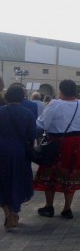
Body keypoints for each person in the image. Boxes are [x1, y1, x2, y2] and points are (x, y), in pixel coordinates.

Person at [34, 79, 80, 220]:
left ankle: (49, 206)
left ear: (61, 90)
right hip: (77, 143)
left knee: (50, 172)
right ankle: (67, 209)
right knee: (71, 173)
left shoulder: (55, 104)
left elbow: (42, 123)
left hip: (58, 142)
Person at [0, 85, 36, 230]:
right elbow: (31, 136)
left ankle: (8, 213)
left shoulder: (0, 112)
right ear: (22, 97)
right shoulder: (27, 113)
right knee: (17, 182)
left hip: (1, 152)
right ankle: (14, 211)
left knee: (2, 183)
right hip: (20, 153)